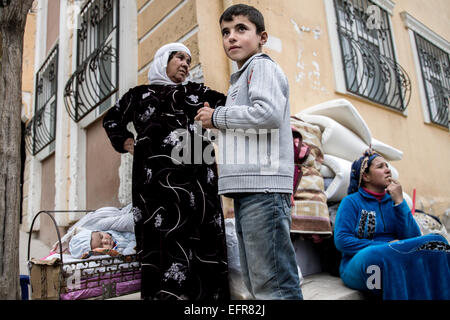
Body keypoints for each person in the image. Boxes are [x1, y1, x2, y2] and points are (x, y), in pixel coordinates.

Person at [103, 43, 230, 300]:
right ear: (163, 60)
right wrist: (128, 143)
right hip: (154, 183)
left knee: (202, 237)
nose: (185, 63)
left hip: (197, 180)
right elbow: (112, 119)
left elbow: (232, 106)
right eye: (179, 58)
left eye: (188, 60)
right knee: (159, 240)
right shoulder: (138, 95)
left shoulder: (198, 92)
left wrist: (215, 116)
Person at [195, 4, 303, 300]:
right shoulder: (241, 79)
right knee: (259, 282)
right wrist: (216, 125)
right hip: (250, 190)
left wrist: (217, 117)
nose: (231, 37)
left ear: (262, 37)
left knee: (273, 284)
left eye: (241, 29)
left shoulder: (261, 67)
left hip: (264, 191)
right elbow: (250, 126)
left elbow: (266, 114)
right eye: (226, 32)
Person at [334, 149, 450, 299]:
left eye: (387, 165)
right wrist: (385, 245)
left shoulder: (395, 202)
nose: (387, 169)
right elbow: (342, 241)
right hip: (359, 263)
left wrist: (400, 202)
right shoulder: (351, 202)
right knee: (378, 255)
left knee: (438, 242)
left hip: (395, 253)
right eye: (380, 166)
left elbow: (413, 237)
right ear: (366, 176)